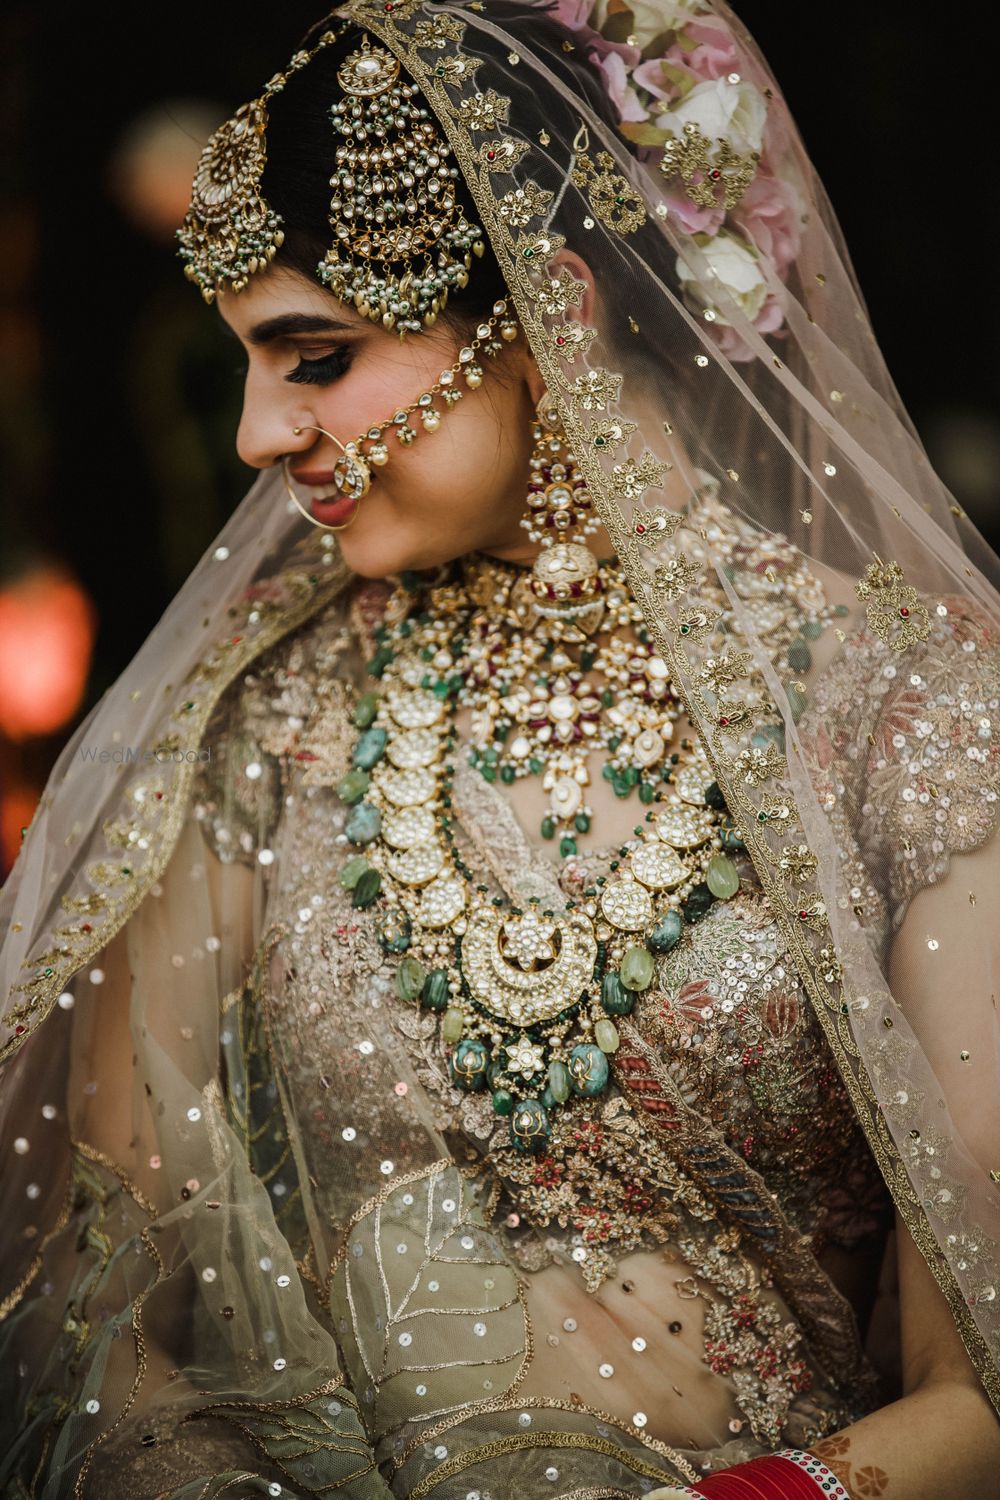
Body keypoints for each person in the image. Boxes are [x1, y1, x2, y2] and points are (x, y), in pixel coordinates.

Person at [2, 2, 999, 1495]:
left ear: (551, 312)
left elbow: (980, 1379)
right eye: (252, 366)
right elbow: (98, 1307)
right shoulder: (261, 719)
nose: (259, 436)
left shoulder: (901, 709)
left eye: (317, 356)